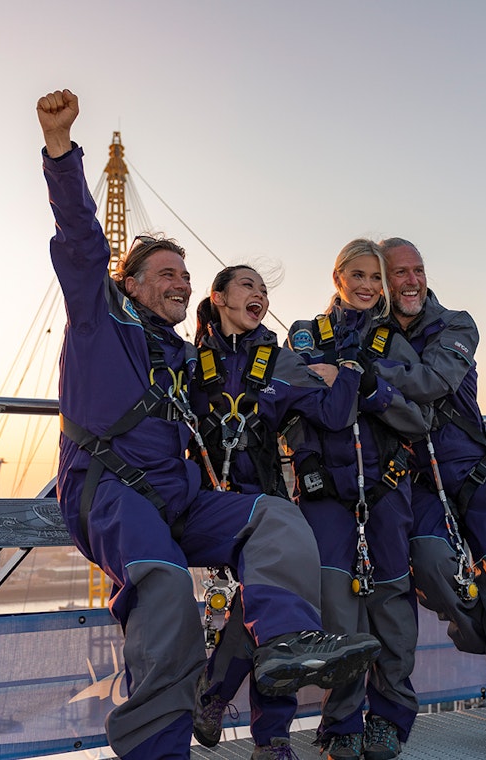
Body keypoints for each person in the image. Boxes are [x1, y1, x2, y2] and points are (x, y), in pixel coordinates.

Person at [36, 88, 379, 760]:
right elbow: (80, 241)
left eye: (186, 276)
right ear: (129, 282)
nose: (180, 283)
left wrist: (339, 375)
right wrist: (59, 149)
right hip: (112, 492)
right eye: (167, 273)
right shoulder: (99, 320)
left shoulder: (184, 359)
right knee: (164, 593)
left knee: (276, 521)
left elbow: (271, 395)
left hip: (180, 498)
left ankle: (282, 645)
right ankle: (158, 751)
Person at [372, 238, 486, 758]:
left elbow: (434, 381)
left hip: (472, 469)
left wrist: (364, 375)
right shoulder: (367, 329)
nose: (411, 281)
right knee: (427, 564)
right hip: (416, 477)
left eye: (417, 270)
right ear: (380, 280)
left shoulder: (457, 325)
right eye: (398, 272)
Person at [187, 263, 366, 760]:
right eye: (248, 285)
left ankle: (266, 733)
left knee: (268, 616)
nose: (260, 294)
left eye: (264, 290)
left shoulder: (280, 360)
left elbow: (333, 414)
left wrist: (347, 373)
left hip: (264, 505)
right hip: (206, 504)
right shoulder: (187, 359)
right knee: (266, 615)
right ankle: (223, 701)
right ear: (218, 296)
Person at [285, 239, 429, 760]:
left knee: (391, 605)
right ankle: (342, 718)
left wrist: (368, 388)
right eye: (359, 275)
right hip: (325, 491)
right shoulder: (305, 336)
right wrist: (306, 466)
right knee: (337, 611)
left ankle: (389, 717)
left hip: (387, 488)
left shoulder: (393, 342)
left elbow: (420, 418)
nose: (369, 286)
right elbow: (290, 411)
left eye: (377, 278)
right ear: (338, 276)